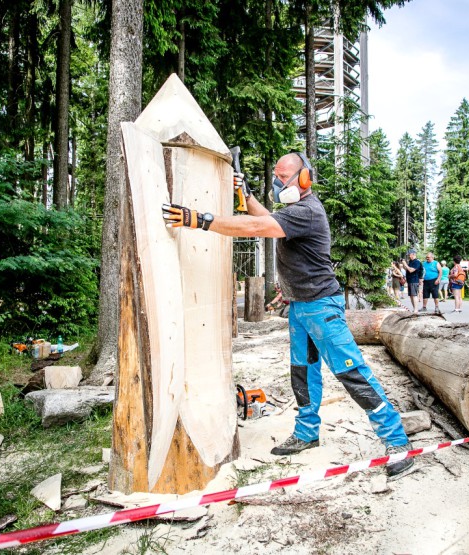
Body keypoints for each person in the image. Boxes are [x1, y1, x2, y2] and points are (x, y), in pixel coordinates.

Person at [162, 152, 414, 476]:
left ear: (305, 178)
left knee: (352, 371)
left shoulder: (307, 211)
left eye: (284, 177)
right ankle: (307, 433)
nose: (278, 182)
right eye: (277, 176)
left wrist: (198, 220)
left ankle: (397, 441)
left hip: (322, 307)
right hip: (300, 307)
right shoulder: (294, 213)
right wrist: (248, 195)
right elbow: (266, 217)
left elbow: (257, 224)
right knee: (303, 372)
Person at [400, 249, 422, 314]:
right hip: (409, 280)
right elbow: (407, 269)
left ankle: (416, 309)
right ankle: (414, 309)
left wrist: (405, 264)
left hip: (414, 280)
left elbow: (411, 270)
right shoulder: (410, 262)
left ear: (413, 254)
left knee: (414, 295)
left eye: (409, 255)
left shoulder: (417, 262)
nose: (409, 256)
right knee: (411, 296)